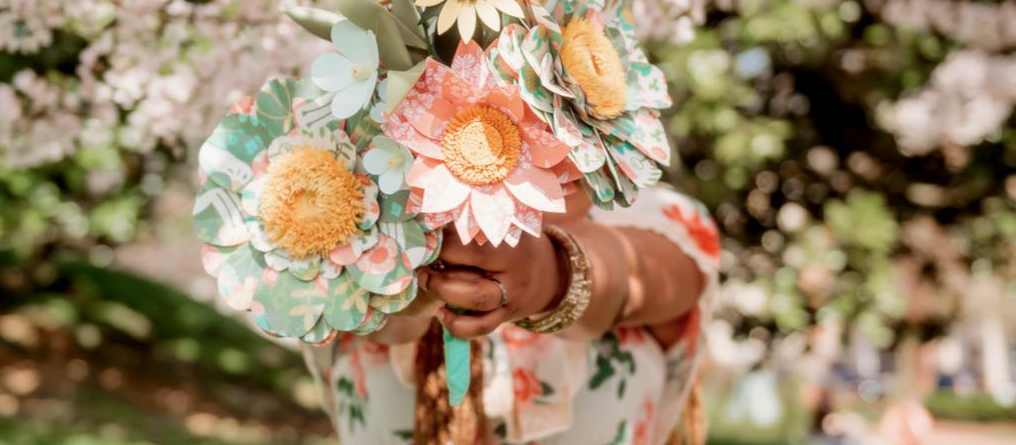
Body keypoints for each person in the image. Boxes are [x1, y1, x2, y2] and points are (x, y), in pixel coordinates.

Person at [304, 183, 720, 444]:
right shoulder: (351, 218)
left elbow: (631, 276)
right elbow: (383, 323)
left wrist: (552, 275)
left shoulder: (654, 219)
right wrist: (399, 266)